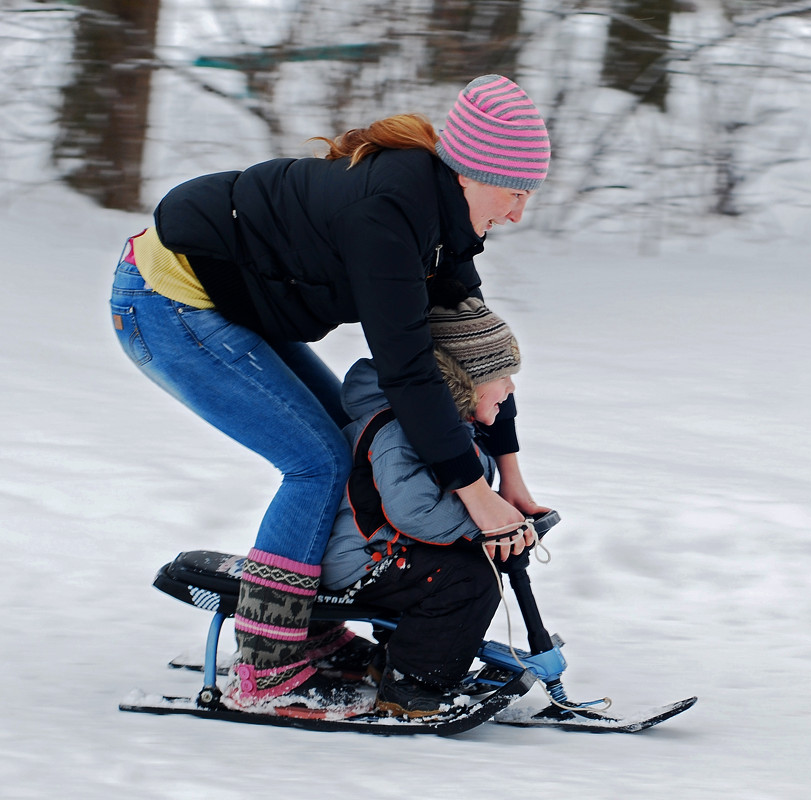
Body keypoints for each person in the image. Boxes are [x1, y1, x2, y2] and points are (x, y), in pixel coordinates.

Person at [108, 75, 551, 717]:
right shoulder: (390, 216)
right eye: (514, 192)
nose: (517, 212)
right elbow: (408, 373)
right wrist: (474, 495)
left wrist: (508, 475)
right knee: (317, 463)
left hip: (231, 304)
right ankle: (267, 664)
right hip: (166, 301)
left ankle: (308, 628)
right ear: (470, 171)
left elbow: (477, 352)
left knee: (345, 440)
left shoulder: (443, 218)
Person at [321, 291, 541, 718]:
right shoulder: (398, 430)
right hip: (362, 558)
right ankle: (414, 685)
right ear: (466, 380)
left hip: (388, 548)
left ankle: (393, 661)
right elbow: (413, 510)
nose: (511, 388)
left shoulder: (450, 424)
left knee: (455, 568)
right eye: (504, 376)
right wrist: (481, 528)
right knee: (468, 578)